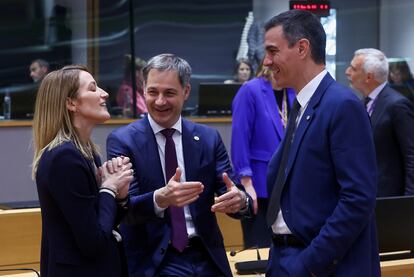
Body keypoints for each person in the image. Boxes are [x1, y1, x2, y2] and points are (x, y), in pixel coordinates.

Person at [107, 53, 252, 277]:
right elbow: (125, 211)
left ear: (186, 92)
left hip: (206, 255)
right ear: (143, 89)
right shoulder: (123, 141)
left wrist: (240, 201)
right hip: (155, 260)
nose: (160, 101)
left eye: (169, 93)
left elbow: (232, 192)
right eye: (153, 92)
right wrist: (160, 199)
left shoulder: (207, 139)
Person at [263, 10, 379, 276]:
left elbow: (358, 198)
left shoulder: (342, 106)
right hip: (285, 257)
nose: (266, 61)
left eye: (273, 51)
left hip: (320, 265)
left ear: (302, 48)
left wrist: (310, 263)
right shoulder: (301, 104)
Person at [32, 65, 134, 277]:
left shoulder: (87, 152)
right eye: (93, 88)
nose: (104, 93)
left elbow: (103, 225)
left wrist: (120, 196)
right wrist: (108, 188)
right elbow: (93, 243)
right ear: (71, 103)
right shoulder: (64, 158)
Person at [231, 60, 295, 248]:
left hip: (289, 186)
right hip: (259, 185)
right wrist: (246, 182)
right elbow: (240, 138)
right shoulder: (250, 90)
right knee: (259, 248)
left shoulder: (293, 91)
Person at [346, 48, 414, 196]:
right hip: (365, 193)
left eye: (353, 68)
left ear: (368, 77)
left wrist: (408, 203)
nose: (347, 72)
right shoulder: (362, 103)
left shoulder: (397, 105)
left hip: (389, 199)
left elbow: (411, 156)